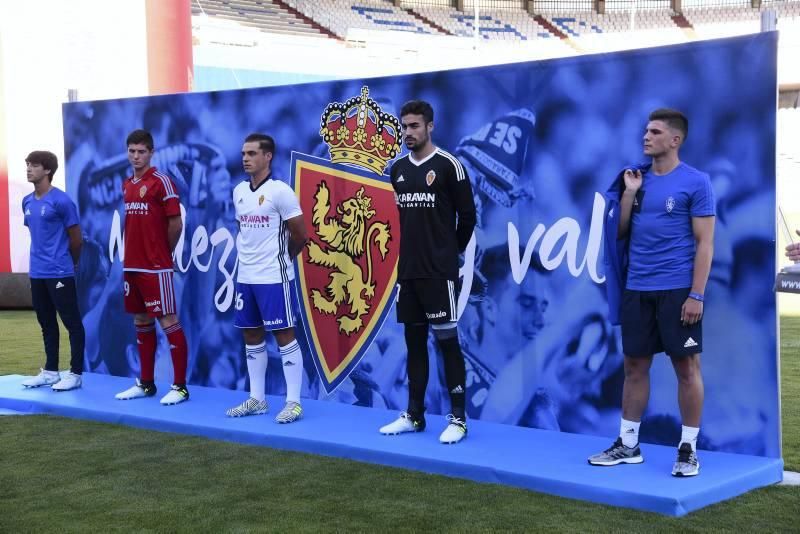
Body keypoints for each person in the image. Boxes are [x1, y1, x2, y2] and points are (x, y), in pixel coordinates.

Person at [590, 109, 715, 477]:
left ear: (674, 140)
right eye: (645, 130)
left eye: (655, 131)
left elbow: (705, 243)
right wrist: (629, 195)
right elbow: (621, 232)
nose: (646, 136)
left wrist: (697, 294)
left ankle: (688, 448)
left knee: (686, 368)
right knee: (634, 367)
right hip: (637, 288)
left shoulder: (696, 182)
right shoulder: (635, 178)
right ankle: (628, 444)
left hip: (677, 290)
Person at [379, 100, 477, 444]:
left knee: (447, 341)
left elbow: (467, 218)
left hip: (439, 271)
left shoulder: (450, 166)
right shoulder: (398, 170)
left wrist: (451, 252)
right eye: (404, 126)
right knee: (414, 342)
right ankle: (414, 415)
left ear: (430, 127)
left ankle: (459, 419)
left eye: (414, 126)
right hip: (409, 271)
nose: (408, 132)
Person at [225, 133, 309, 423]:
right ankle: (257, 399)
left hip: (274, 276)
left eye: (251, 153)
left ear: (268, 156)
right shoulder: (238, 191)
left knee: (284, 335)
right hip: (246, 277)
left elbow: (300, 234)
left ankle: (294, 402)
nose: (245, 158)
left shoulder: (281, 191)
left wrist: (284, 261)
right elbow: (244, 230)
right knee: (251, 335)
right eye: (243, 153)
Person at [114, 130, 190, 405]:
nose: (136, 156)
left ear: (151, 153)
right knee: (141, 321)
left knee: (168, 320)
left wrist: (163, 253)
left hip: (156, 266)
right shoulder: (126, 184)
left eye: (141, 151)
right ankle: (146, 383)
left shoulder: (162, 182)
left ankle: (180, 386)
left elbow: (176, 224)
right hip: (132, 266)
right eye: (132, 151)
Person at [21, 150, 85, 391]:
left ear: (47, 170)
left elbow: (76, 239)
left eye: (34, 165)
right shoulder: (27, 201)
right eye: (27, 164)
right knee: (46, 322)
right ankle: (50, 371)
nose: (28, 169)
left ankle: (76, 373)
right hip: (36, 272)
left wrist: (71, 263)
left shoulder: (62, 201)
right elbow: (37, 234)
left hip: (60, 272)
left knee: (72, 322)